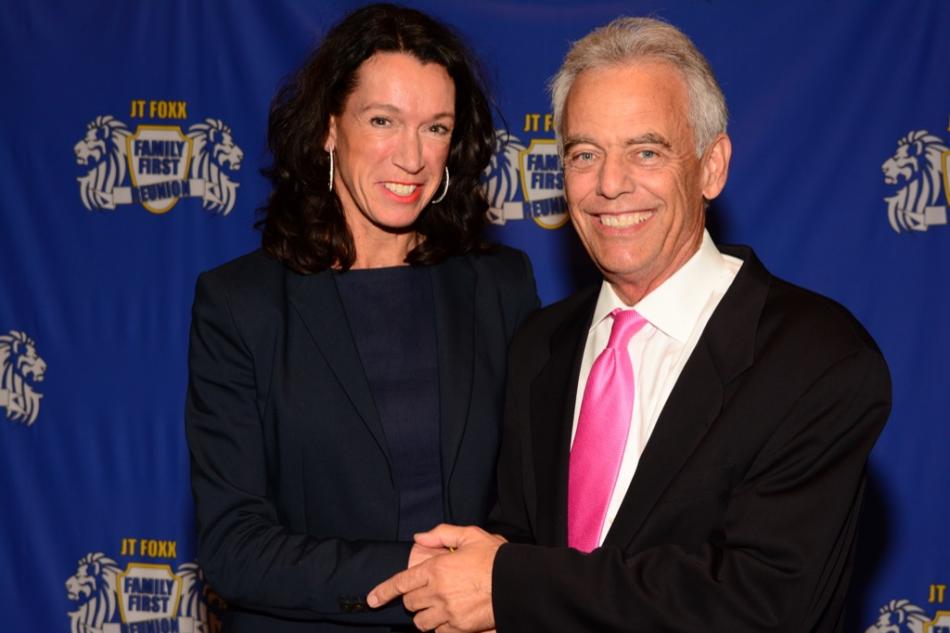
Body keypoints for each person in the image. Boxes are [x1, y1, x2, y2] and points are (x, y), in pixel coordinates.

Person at [367, 16, 890, 632]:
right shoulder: (541, 344)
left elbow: (762, 603)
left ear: (712, 166)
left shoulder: (817, 358)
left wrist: (509, 584)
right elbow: (520, 543)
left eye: (646, 152)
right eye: (585, 154)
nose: (610, 185)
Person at [184, 4, 538, 632]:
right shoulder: (241, 304)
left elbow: (534, 500)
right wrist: (417, 572)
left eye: (435, 128)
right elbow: (233, 548)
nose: (412, 157)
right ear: (329, 128)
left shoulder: (501, 285)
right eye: (383, 121)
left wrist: (500, 582)